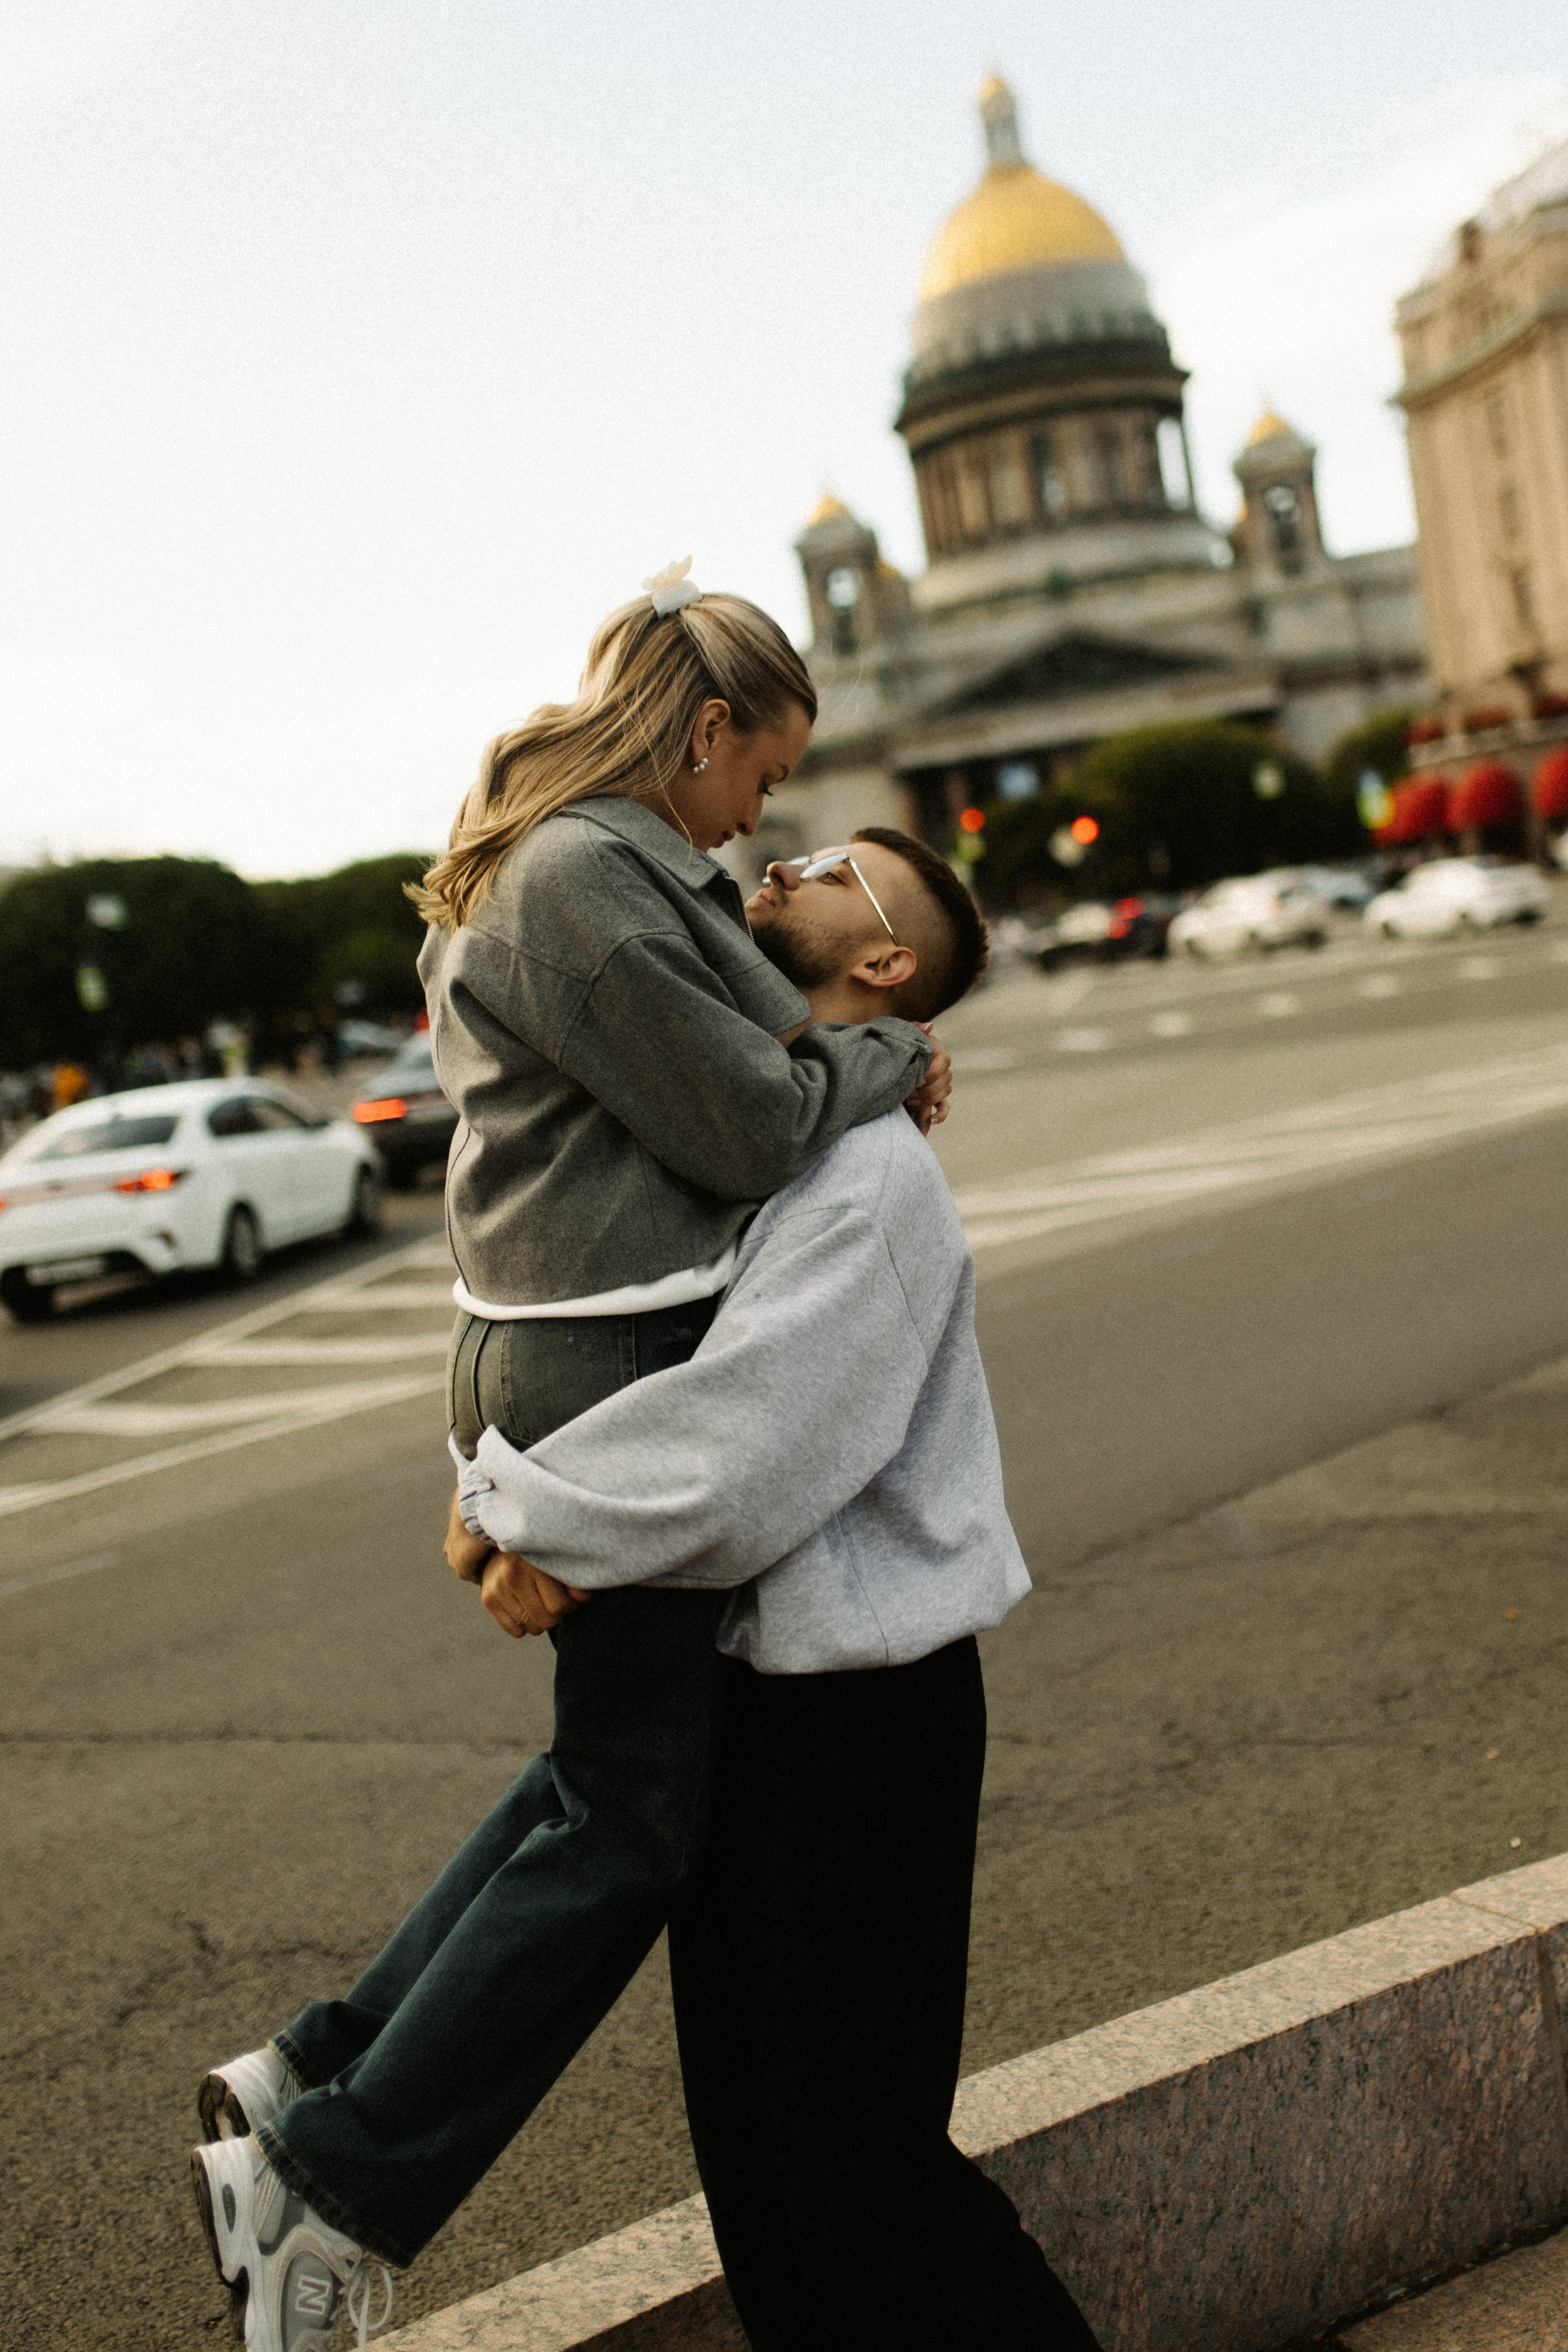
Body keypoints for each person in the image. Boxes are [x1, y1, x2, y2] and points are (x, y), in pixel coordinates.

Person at [188, 567, 950, 2352]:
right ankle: (339, 2188)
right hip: (607, 1360)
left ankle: (311, 2079)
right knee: (630, 1823)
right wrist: (887, 1047)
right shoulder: (591, 883)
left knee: (595, 1788)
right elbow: (754, 1121)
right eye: (765, 768)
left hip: (569, 1350)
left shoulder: (597, 865)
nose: (766, 812)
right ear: (704, 733)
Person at [454, 829, 1102, 2352]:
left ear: (883, 968)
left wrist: (522, 1513)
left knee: (861, 2189)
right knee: (760, 2184)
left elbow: (747, 1440)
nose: (770, 865)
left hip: (859, 1721)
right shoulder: (757, 1137)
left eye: (822, 867)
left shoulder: (868, 1178)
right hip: (741, 1705)